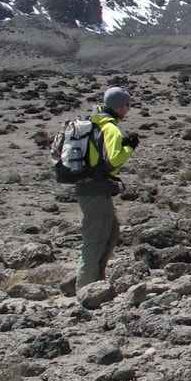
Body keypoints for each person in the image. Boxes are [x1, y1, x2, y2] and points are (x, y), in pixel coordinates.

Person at [75, 86, 138, 290]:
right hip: (95, 187)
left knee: (111, 232)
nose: (128, 109)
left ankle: (96, 278)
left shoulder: (96, 121)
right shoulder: (110, 127)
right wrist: (129, 146)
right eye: (127, 105)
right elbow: (114, 159)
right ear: (119, 106)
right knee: (96, 236)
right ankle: (86, 286)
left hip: (92, 186)